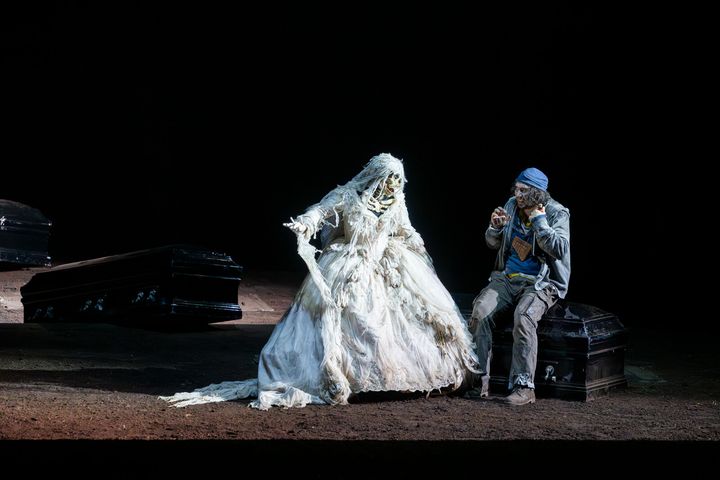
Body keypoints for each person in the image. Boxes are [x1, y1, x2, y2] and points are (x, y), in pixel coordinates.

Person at [160, 153, 479, 409]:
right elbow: (321, 211)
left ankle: (387, 380)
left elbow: (404, 229)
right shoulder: (349, 197)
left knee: (404, 322)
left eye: (399, 179)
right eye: (390, 178)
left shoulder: (396, 203)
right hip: (348, 262)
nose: (395, 184)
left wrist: (416, 250)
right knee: (347, 319)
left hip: (384, 263)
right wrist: (305, 223)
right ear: (376, 177)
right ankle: (344, 378)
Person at [467, 167, 570, 406]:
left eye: (523, 190)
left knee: (523, 316)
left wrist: (540, 222)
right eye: (516, 188)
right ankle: (477, 381)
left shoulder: (556, 213)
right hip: (507, 277)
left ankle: (524, 387)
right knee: (480, 312)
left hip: (541, 283)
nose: (517, 193)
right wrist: (496, 228)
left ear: (536, 192)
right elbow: (493, 244)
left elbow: (560, 250)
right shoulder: (512, 205)